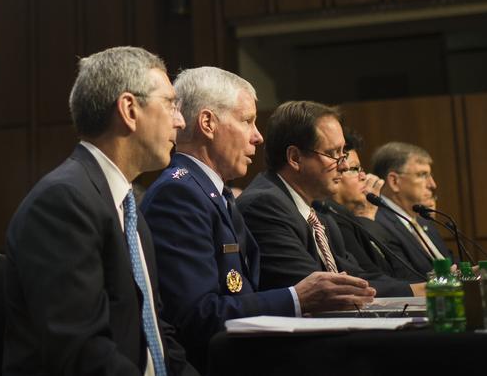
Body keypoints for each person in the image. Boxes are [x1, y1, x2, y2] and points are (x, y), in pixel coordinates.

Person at [142, 68, 371, 370]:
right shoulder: (179, 194)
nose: (258, 136)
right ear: (208, 123)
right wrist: (296, 298)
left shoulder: (212, 193)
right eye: (247, 120)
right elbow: (195, 317)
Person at [4, 46, 198, 376]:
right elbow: (81, 352)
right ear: (129, 110)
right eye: (169, 104)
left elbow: (159, 334)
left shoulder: (126, 203)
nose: (180, 121)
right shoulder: (64, 201)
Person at [237, 101, 422, 298]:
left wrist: (421, 288)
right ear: (295, 158)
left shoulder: (321, 214)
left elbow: (357, 275)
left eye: (342, 152)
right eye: (332, 154)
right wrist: (415, 291)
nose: (343, 166)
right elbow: (322, 289)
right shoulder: (264, 206)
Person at [325, 132, 422, 282]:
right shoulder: (332, 220)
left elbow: (401, 270)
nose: (363, 176)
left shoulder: (356, 217)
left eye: (361, 169)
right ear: (335, 175)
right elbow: (372, 278)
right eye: (354, 169)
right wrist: (367, 216)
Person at [368, 141, 454, 276]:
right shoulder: (378, 223)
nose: (432, 184)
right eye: (422, 175)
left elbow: (452, 265)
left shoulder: (424, 220)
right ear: (394, 181)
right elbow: (404, 279)